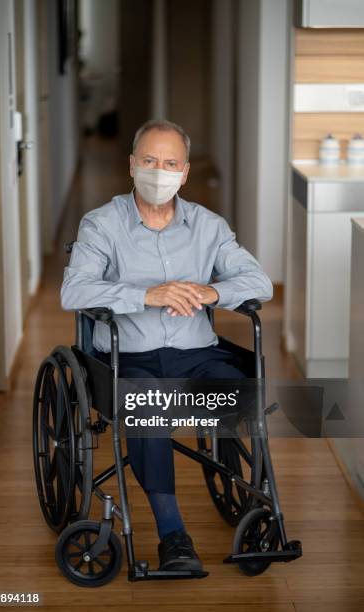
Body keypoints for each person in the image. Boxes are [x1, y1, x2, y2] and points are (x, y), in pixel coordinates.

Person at [61, 119, 273, 572]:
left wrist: (211, 292)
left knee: (241, 394)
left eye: (170, 163)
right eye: (151, 161)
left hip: (198, 354)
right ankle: (173, 536)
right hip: (127, 359)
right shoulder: (101, 224)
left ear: (186, 172)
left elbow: (258, 281)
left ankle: (260, 507)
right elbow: (73, 292)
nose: (160, 171)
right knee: (147, 409)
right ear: (132, 165)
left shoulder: (209, 226)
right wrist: (145, 294)